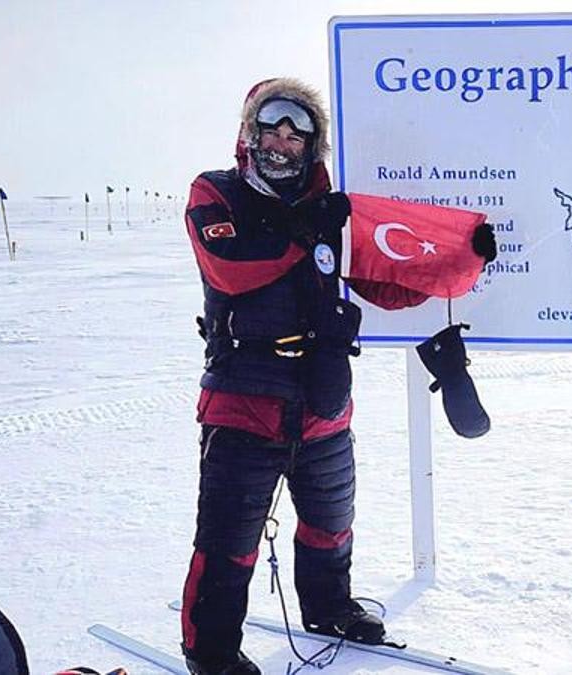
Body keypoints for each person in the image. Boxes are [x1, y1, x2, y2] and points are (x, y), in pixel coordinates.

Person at [180, 78, 496, 675]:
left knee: (331, 521)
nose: (283, 141)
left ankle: (328, 609)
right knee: (229, 539)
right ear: (251, 133)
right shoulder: (216, 194)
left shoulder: (329, 211)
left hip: (323, 399)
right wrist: (306, 228)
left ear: (312, 144)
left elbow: (385, 285)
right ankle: (211, 651)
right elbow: (230, 267)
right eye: (272, 126)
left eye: (297, 132)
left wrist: (464, 257)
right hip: (243, 398)